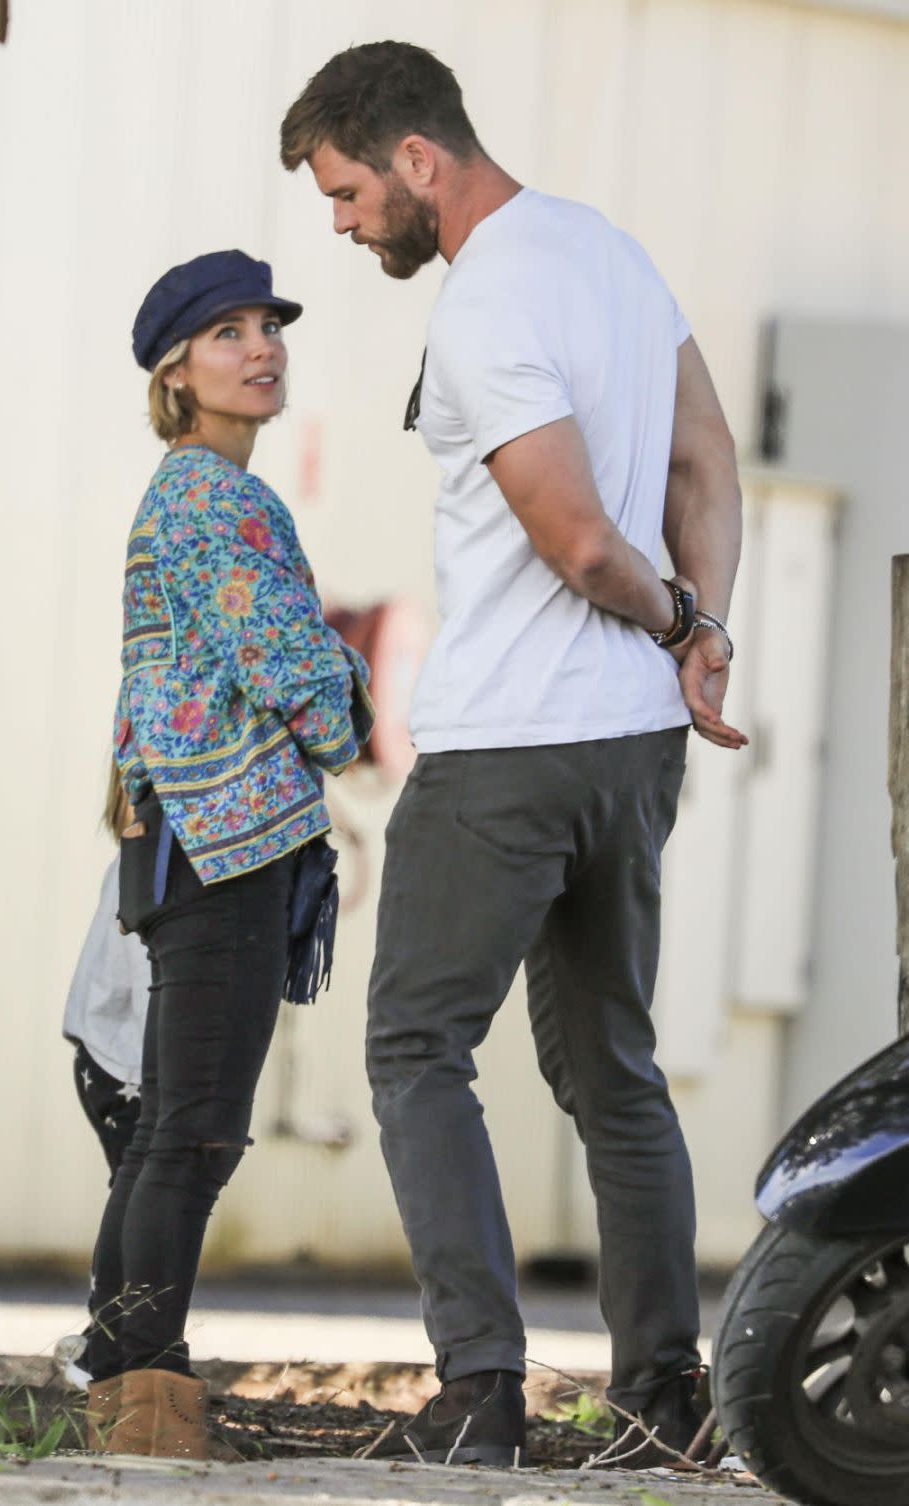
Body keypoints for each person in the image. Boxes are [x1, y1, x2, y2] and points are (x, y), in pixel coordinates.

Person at [281, 42, 745, 1468]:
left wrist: (671, 610)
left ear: (420, 159)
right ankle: (667, 1390)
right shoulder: (611, 255)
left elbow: (584, 538)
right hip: (632, 744)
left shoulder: (486, 303)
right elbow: (704, 463)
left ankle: (479, 1389)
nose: (346, 225)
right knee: (616, 1068)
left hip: (507, 752)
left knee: (416, 1046)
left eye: (352, 193)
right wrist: (706, 631)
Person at [85, 249, 374, 1461]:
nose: (262, 348)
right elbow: (302, 675)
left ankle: (126, 1374)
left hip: (198, 845)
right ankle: (143, 1393)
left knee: (173, 1127)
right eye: (228, 335)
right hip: (228, 848)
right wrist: (352, 700)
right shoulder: (214, 496)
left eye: (269, 326)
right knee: (194, 1132)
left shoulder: (191, 491)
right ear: (175, 370)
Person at [57, 764, 151, 1391]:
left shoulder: (126, 864)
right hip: (126, 1070)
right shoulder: (146, 873)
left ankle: (109, 1334)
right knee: (139, 1197)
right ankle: (105, 1343)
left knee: (133, 1191)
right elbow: (147, 991)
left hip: (103, 1060)